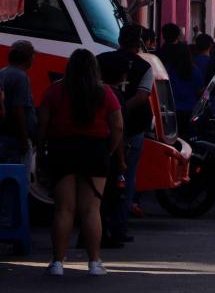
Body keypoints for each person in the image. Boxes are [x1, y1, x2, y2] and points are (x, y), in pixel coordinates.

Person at [37, 49, 123, 277]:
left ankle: (57, 262)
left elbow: (43, 124)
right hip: (94, 150)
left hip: (62, 148)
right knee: (91, 209)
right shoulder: (105, 92)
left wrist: (43, 148)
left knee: (64, 209)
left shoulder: (54, 91)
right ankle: (94, 262)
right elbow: (118, 125)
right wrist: (109, 149)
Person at [97, 24, 153, 243]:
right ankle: (119, 227)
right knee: (126, 180)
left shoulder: (101, 59)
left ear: (119, 39)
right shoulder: (144, 67)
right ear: (138, 42)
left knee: (100, 178)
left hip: (101, 128)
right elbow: (141, 97)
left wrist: (109, 112)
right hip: (133, 128)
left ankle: (96, 225)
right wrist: (119, 111)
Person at [97, 53, 130, 249]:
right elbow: (118, 128)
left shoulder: (91, 91)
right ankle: (106, 233)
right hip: (107, 150)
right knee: (110, 196)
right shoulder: (114, 95)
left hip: (90, 147)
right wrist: (119, 156)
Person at [0, 40, 37, 170]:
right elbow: (19, 108)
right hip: (15, 139)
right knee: (19, 179)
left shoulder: (3, 72)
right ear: (28, 58)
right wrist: (24, 138)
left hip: (4, 136)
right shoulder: (21, 77)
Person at [162, 42, 204, 135]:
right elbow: (200, 91)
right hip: (190, 110)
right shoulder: (195, 70)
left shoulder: (168, 69)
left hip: (172, 110)